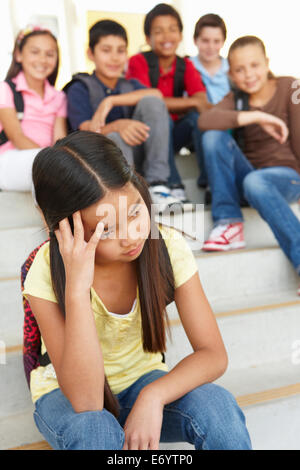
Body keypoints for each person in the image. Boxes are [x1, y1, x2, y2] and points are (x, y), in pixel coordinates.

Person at [22, 131, 252, 450]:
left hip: (142, 379)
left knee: (218, 407)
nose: (131, 237)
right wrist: (77, 289)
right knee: (96, 430)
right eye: (107, 230)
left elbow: (213, 355)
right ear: (63, 228)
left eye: (134, 212)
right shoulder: (45, 270)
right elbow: (87, 400)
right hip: (68, 397)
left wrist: (153, 395)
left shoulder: (166, 247)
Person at [198, 36, 300, 295]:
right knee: (212, 137)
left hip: (288, 176)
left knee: (256, 181)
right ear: (230, 74)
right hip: (251, 180)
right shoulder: (237, 99)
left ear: (266, 63)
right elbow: (205, 121)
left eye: (255, 66)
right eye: (240, 70)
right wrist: (254, 116)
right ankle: (229, 222)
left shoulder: (291, 87)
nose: (249, 75)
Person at [65, 19, 180, 213]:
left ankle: (158, 185)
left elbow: (157, 95)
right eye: (106, 50)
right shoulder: (80, 88)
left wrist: (110, 102)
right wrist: (117, 125)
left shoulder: (129, 85)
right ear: (90, 53)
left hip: (138, 160)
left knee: (152, 102)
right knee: (116, 138)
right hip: (102, 167)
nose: (114, 58)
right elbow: (85, 131)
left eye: (120, 50)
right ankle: (128, 197)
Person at [126, 3, 212, 201]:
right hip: (147, 136)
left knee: (197, 118)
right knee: (163, 115)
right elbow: (150, 98)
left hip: (175, 135)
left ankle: (209, 183)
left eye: (172, 29)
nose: (167, 37)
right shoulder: (139, 62)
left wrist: (191, 104)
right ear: (148, 38)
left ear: (181, 35)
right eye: (159, 31)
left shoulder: (185, 65)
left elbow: (201, 101)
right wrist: (189, 102)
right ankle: (173, 184)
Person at [0, 26, 67, 192]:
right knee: (47, 168)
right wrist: (50, 159)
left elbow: (59, 141)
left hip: (47, 159)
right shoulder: (6, 89)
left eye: (50, 54)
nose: (43, 60)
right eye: (35, 52)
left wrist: (58, 159)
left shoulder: (59, 97)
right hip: (9, 160)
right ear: (18, 55)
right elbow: (17, 137)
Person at [190, 14, 230, 105]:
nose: (211, 47)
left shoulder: (232, 68)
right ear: (195, 40)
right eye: (205, 41)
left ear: (223, 42)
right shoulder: (185, 67)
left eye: (216, 41)